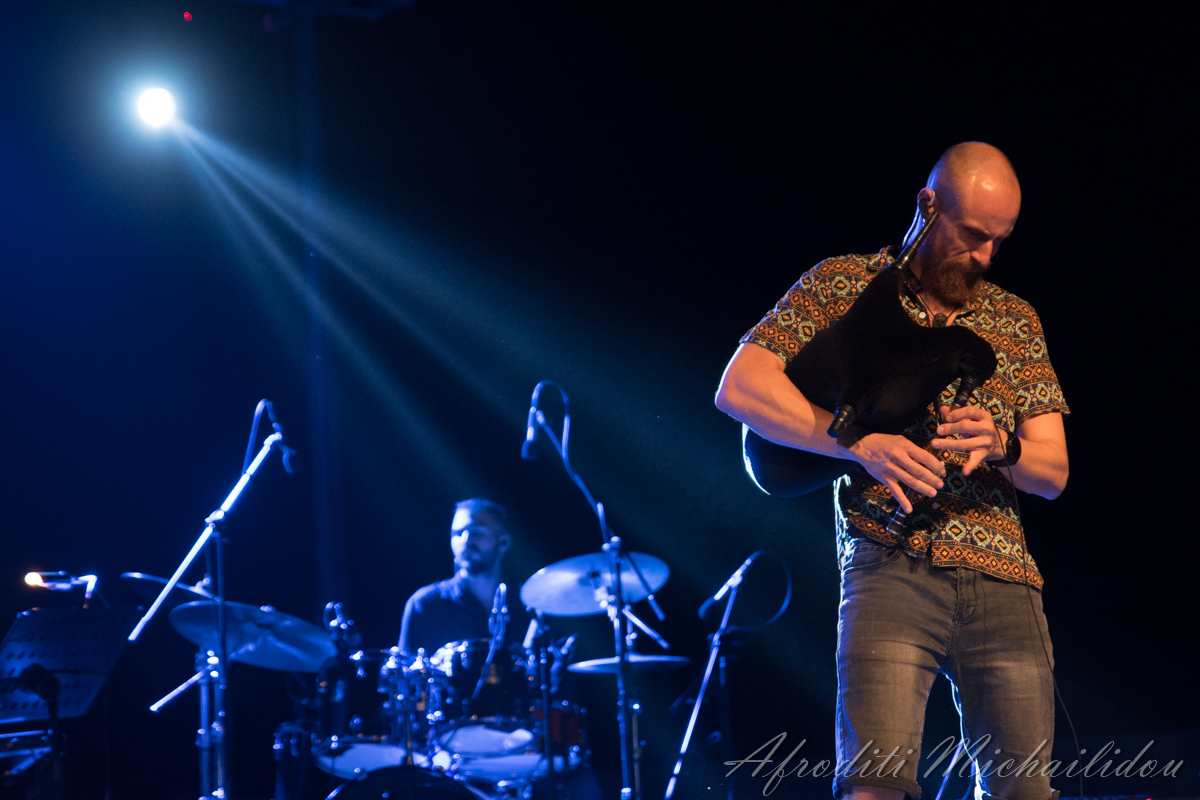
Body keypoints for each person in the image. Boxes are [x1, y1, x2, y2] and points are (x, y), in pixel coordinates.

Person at [715, 142, 1069, 800]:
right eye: (973, 235)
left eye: (1000, 240)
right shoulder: (842, 282)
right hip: (889, 562)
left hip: (1005, 579)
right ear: (928, 205)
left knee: (1024, 792)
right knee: (873, 785)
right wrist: (856, 442)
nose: (986, 255)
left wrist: (1004, 445)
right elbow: (740, 387)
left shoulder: (1015, 319)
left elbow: (1054, 472)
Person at [398, 497, 520, 656]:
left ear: (503, 543)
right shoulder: (426, 604)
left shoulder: (526, 604)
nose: (465, 540)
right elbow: (407, 669)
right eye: (458, 533)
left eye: (477, 532)